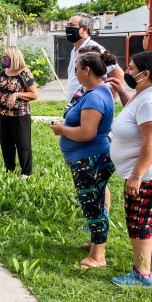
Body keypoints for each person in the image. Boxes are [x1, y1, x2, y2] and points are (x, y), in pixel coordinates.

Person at [108, 51, 152, 288]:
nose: (127, 72)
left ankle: (143, 274)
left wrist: (136, 175)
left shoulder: (151, 100)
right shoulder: (147, 93)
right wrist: (121, 92)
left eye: (130, 68)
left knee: (138, 217)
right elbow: (135, 112)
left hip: (150, 171)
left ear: (145, 74)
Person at [50, 48, 117, 269]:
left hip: (90, 159)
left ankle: (98, 256)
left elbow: (87, 132)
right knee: (94, 203)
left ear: (86, 70)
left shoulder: (96, 97)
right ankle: (96, 243)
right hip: (87, 158)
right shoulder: (96, 91)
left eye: (77, 68)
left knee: (93, 205)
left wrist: (62, 130)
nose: (75, 72)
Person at [0, 45, 39, 178]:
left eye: (6, 57)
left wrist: (17, 95)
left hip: (20, 114)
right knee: (6, 143)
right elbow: (2, 89)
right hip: (3, 114)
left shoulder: (24, 73)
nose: (3, 59)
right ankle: (9, 169)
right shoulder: (4, 72)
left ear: (14, 57)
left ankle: (26, 172)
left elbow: (34, 94)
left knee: (23, 144)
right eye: (3, 57)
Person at [64, 12, 123, 104]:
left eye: (71, 25)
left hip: (90, 105)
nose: (68, 29)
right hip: (78, 105)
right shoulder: (75, 50)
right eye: (67, 25)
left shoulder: (93, 49)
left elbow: (119, 75)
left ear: (84, 29)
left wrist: (110, 102)